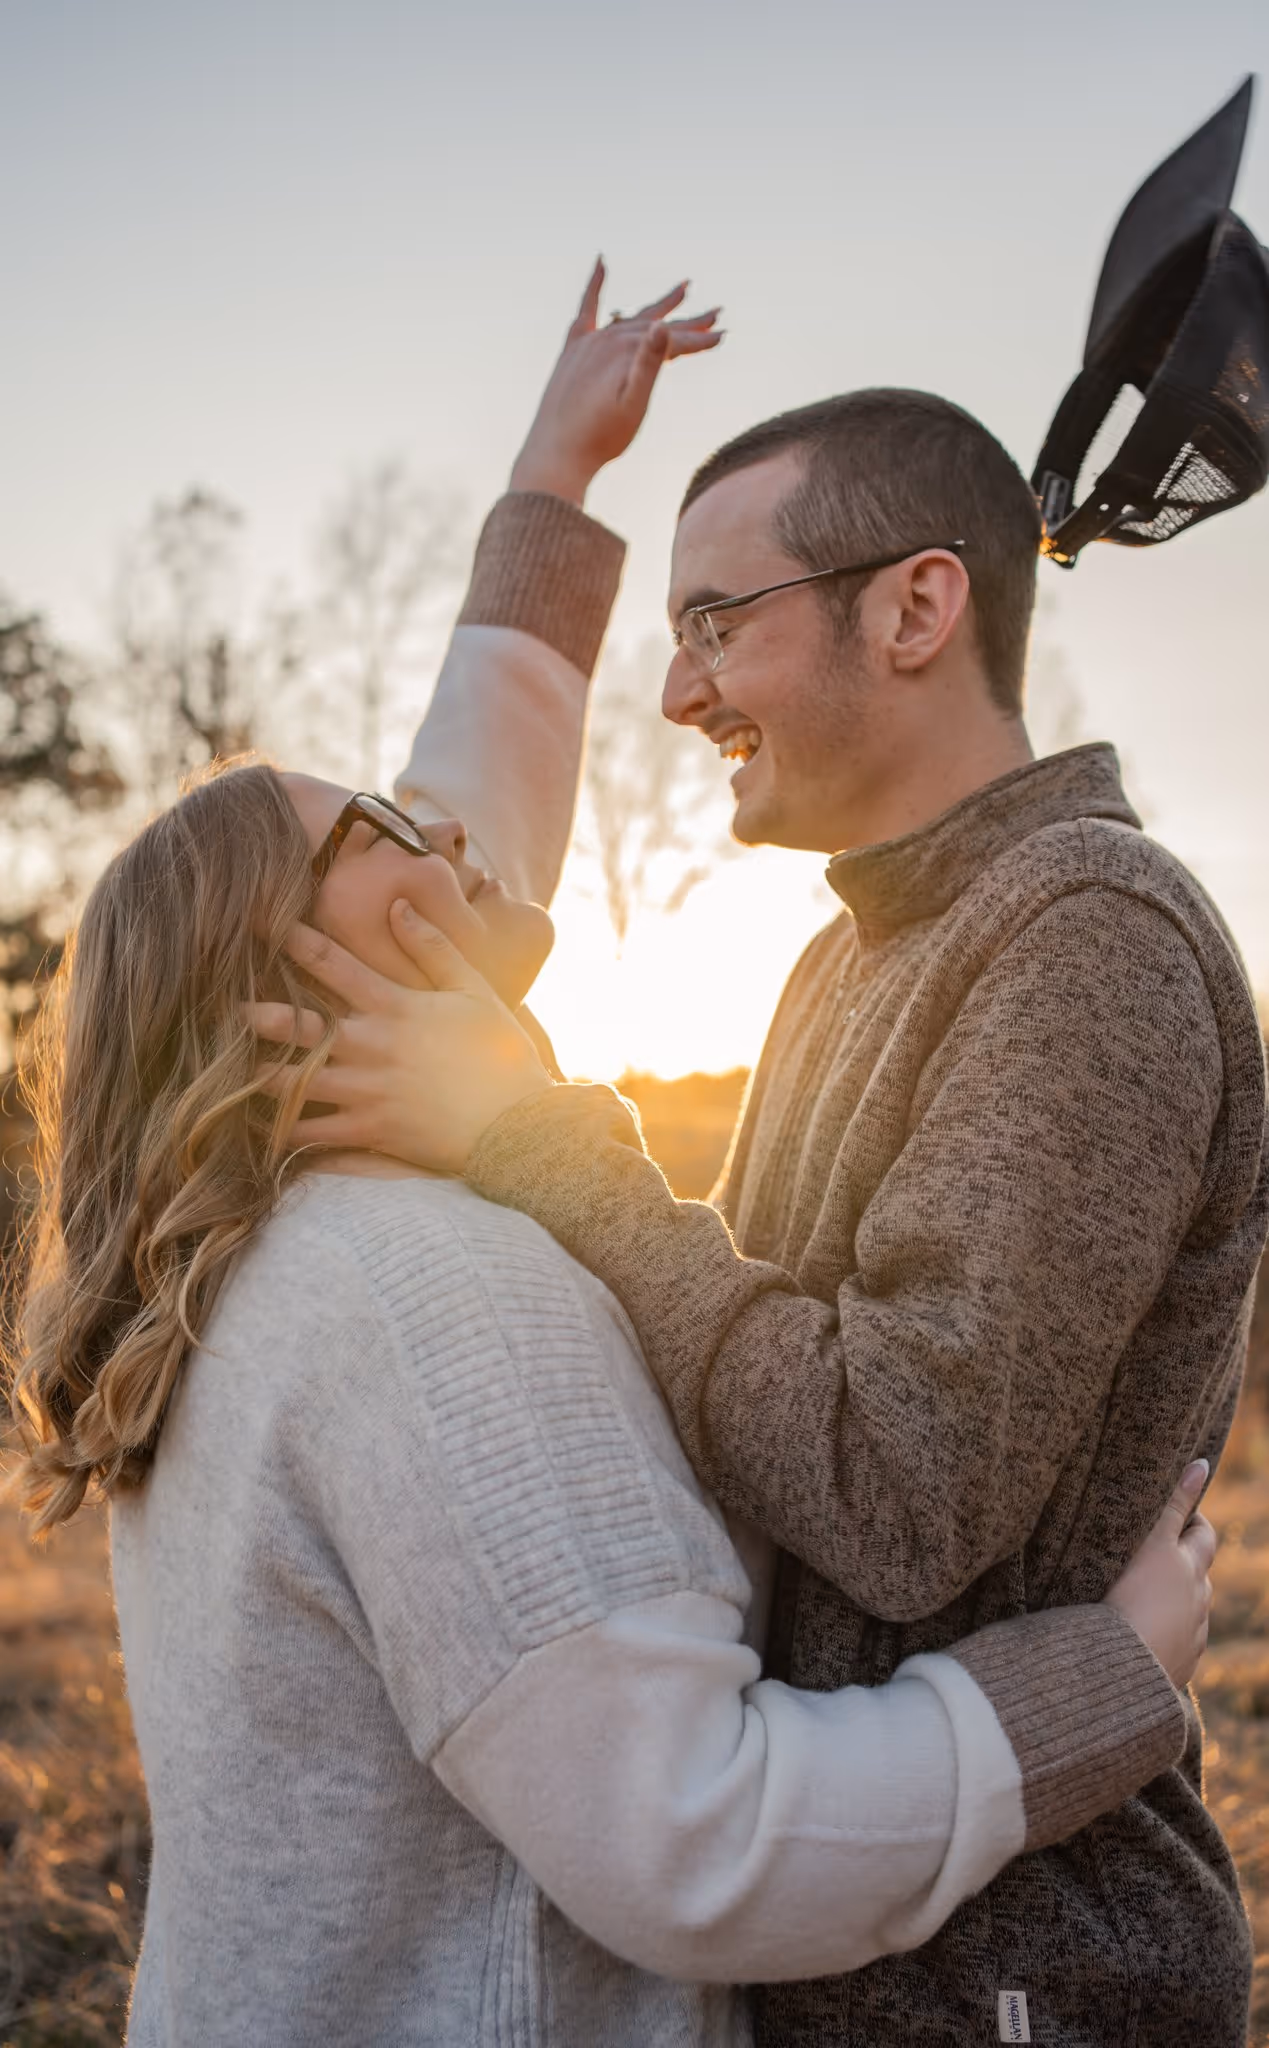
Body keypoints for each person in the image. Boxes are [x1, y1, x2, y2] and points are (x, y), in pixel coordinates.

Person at [6, 275, 1218, 2048]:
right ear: (283, 993)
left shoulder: (1077, 944)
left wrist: (552, 483)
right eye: (385, 832)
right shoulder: (415, 1272)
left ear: (917, 609)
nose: (673, 685)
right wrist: (1107, 1683)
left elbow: (894, 1483)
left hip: (1010, 1977)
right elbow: (697, 1830)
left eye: (719, 618)